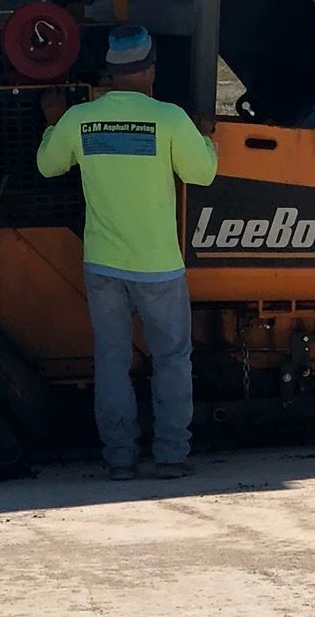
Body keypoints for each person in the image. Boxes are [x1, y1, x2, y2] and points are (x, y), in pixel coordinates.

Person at [36, 25, 217, 479]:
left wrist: (53, 122)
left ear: (111, 74)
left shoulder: (80, 120)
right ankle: (171, 455)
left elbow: (48, 165)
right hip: (158, 267)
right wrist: (206, 138)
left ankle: (119, 458)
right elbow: (203, 175)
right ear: (150, 70)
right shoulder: (170, 119)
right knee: (172, 359)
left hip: (103, 265)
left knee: (112, 360)